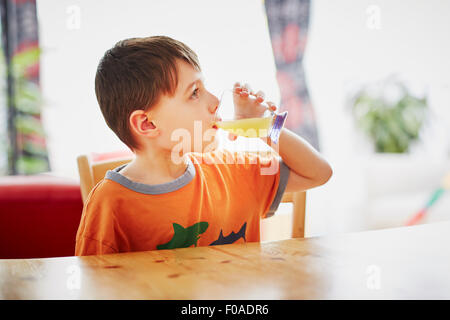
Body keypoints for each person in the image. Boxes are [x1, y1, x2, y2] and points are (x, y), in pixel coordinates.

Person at [75, 35, 332, 256]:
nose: (214, 101)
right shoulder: (110, 206)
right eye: (194, 93)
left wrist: (266, 128)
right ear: (147, 124)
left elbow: (319, 173)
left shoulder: (233, 171)